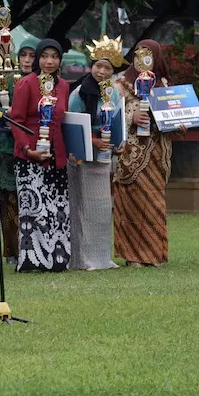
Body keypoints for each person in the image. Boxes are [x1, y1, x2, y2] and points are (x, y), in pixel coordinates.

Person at [9, 39, 71, 272]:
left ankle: (57, 259)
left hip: (57, 158)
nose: (49, 61)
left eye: (54, 56)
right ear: (37, 58)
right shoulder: (26, 83)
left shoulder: (64, 85)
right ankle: (34, 260)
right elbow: (16, 120)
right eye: (44, 56)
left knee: (57, 210)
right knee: (34, 210)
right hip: (29, 157)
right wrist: (28, 149)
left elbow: (65, 120)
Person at [113, 39, 175, 267]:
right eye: (139, 54)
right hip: (130, 154)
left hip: (157, 155)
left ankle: (153, 254)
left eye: (148, 54)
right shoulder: (120, 84)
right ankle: (132, 256)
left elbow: (175, 115)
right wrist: (131, 116)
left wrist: (180, 121)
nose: (143, 59)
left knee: (154, 202)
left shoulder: (164, 85)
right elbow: (108, 115)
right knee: (130, 204)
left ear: (156, 58)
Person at [67, 36, 127, 271]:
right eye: (98, 66)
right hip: (83, 157)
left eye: (107, 68)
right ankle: (83, 258)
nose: (101, 71)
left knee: (102, 209)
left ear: (113, 71)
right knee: (82, 208)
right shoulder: (79, 93)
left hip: (104, 158)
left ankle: (103, 256)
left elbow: (118, 121)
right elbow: (72, 125)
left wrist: (119, 143)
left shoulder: (114, 94)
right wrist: (92, 141)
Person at [0, 41, 36, 263]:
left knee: (31, 200)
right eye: (22, 54)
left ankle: (34, 248)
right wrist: (9, 113)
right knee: (9, 201)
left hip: (35, 147)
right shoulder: (8, 79)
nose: (26, 60)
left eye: (31, 55)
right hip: (7, 148)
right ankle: (12, 251)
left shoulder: (41, 81)